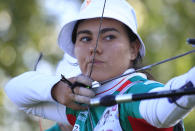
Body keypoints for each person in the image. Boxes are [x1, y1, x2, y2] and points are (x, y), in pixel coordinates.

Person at [4, 0, 195, 131]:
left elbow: (162, 106)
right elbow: (14, 90)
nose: (95, 49)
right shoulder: (81, 102)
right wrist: (57, 90)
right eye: (85, 38)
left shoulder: (136, 91)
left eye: (109, 37)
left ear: (134, 49)